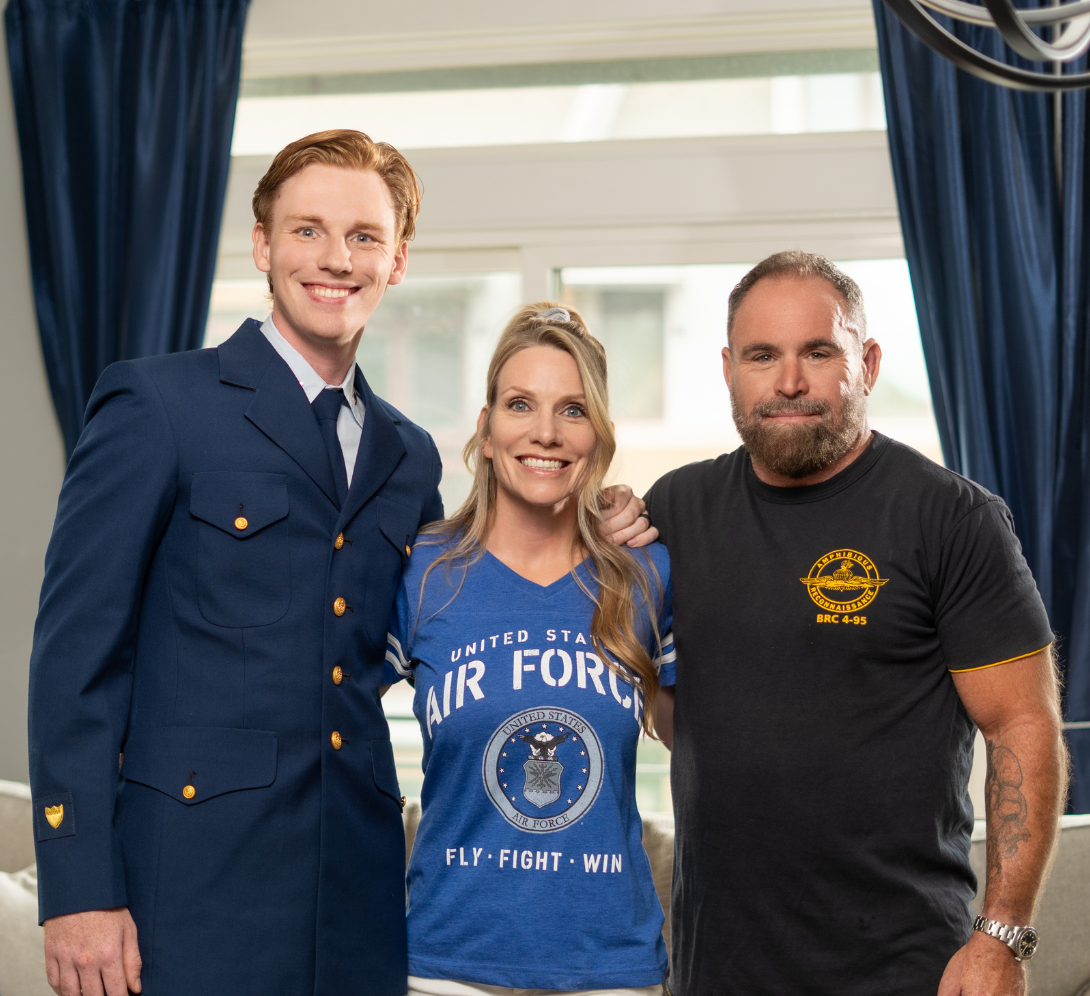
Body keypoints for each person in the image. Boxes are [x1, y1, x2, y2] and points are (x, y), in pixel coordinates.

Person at [27, 131, 654, 996]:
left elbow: (463, 600)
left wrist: (605, 522)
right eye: (308, 230)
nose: (336, 259)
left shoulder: (409, 455)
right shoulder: (158, 405)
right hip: (190, 893)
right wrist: (78, 890)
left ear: (396, 261)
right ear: (263, 245)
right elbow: (73, 661)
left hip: (360, 904)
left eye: (364, 236)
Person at [647, 251, 1067, 996]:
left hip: (906, 969)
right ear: (727, 368)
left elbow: (1022, 728)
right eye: (762, 355)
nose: (788, 382)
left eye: (818, 351)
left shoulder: (952, 520)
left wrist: (1002, 937)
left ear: (866, 362)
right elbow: (682, 707)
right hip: (720, 967)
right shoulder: (678, 510)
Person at [382, 304, 674, 996]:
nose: (545, 431)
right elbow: (326, 718)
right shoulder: (423, 571)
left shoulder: (647, 573)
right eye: (520, 404)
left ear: (599, 437)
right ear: (485, 430)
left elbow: (704, 745)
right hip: (447, 963)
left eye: (573, 410)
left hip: (610, 967)